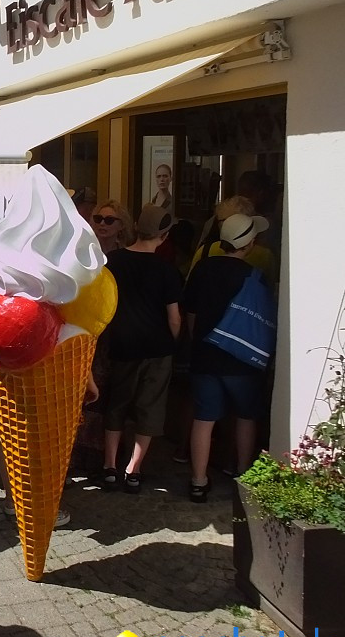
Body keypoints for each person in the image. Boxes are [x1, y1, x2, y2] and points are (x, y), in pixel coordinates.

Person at [183, 213, 273, 503]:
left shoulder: (203, 268)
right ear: (248, 244)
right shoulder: (254, 276)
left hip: (205, 354)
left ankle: (198, 480)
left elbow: (191, 312)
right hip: (241, 359)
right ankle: (243, 474)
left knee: (204, 417)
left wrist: (197, 339)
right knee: (246, 416)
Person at [101, 205, 182, 494]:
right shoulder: (166, 270)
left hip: (123, 344)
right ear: (164, 235)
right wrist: (172, 342)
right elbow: (174, 317)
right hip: (156, 347)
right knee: (150, 408)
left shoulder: (112, 261)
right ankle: (133, 469)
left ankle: (109, 466)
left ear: (135, 225)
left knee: (117, 405)